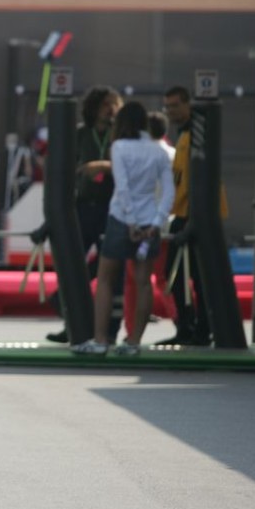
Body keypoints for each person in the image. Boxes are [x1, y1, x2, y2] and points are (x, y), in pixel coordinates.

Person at [74, 102, 174, 355]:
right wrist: (155, 222)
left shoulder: (118, 147)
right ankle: (134, 342)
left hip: (121, 219)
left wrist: (130, 222)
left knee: (106, 279)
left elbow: (123, 186)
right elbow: (168, 191)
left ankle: (100, 341)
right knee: (143, 283)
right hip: (150, 221)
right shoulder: (159, 151)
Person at [44, 85, 124, 343]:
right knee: (71, 262)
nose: (111, 110)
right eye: (105, 104)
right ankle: (73, 325)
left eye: (115, 104)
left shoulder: (122, 136)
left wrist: (104, 167)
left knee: (113, 270)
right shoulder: (79, 134)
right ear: (94, 107)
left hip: (113, 208)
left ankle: (110, 330)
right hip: (82, 206)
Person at [156, 85, 228, 346]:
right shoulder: (185, 135)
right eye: (168, 106)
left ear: (187, 105)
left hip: (195, 213)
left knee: (197, 276)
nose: (170, 111)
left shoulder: (195, 135)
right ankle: (189, 328)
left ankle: (199, 330)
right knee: (178, 275)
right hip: (185, 212)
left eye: (175, 105)